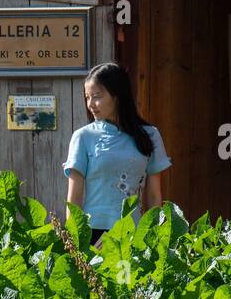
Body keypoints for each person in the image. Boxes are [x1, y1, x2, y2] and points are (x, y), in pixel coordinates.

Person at [64, 62, 172, 245]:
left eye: (97, 96)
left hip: (134, 232)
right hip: (93, 234)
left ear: (117, 95)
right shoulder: (83, 137)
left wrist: (154, 236)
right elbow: (73, 198)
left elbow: (154, 195)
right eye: (87, 97)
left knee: (129, 275)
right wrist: (73, 242)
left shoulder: (150, 135)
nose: (90, 104)